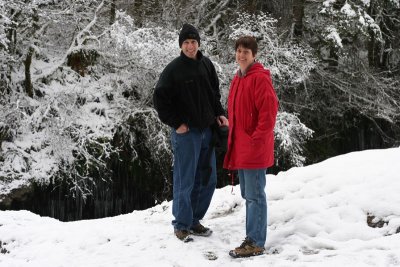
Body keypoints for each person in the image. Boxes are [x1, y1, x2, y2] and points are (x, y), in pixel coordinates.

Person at [153, 23, 229, 242]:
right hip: (187, 134)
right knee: (185, 180)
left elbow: (214, 94)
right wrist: (176, 123)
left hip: (207, 129)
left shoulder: (206, 65)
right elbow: (160, 98)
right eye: (186, 42)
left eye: (193, 42)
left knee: (208, 179)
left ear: (198, 43)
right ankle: (181, 225)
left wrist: (220, 114)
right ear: (180, 45)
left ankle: (194, 220)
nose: (190, 46)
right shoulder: (173, 70)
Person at [223, 36, 278, 258]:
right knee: (249, 194)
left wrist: (255, 139)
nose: (241, 55)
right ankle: (251, 238)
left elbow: (268, 114)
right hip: (242, 147)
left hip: (254, 148)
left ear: (254, 55)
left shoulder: (259, 79)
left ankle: (255, 241)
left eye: (246, 51)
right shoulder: (238, 78)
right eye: (238, 50)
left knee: (255, 195)